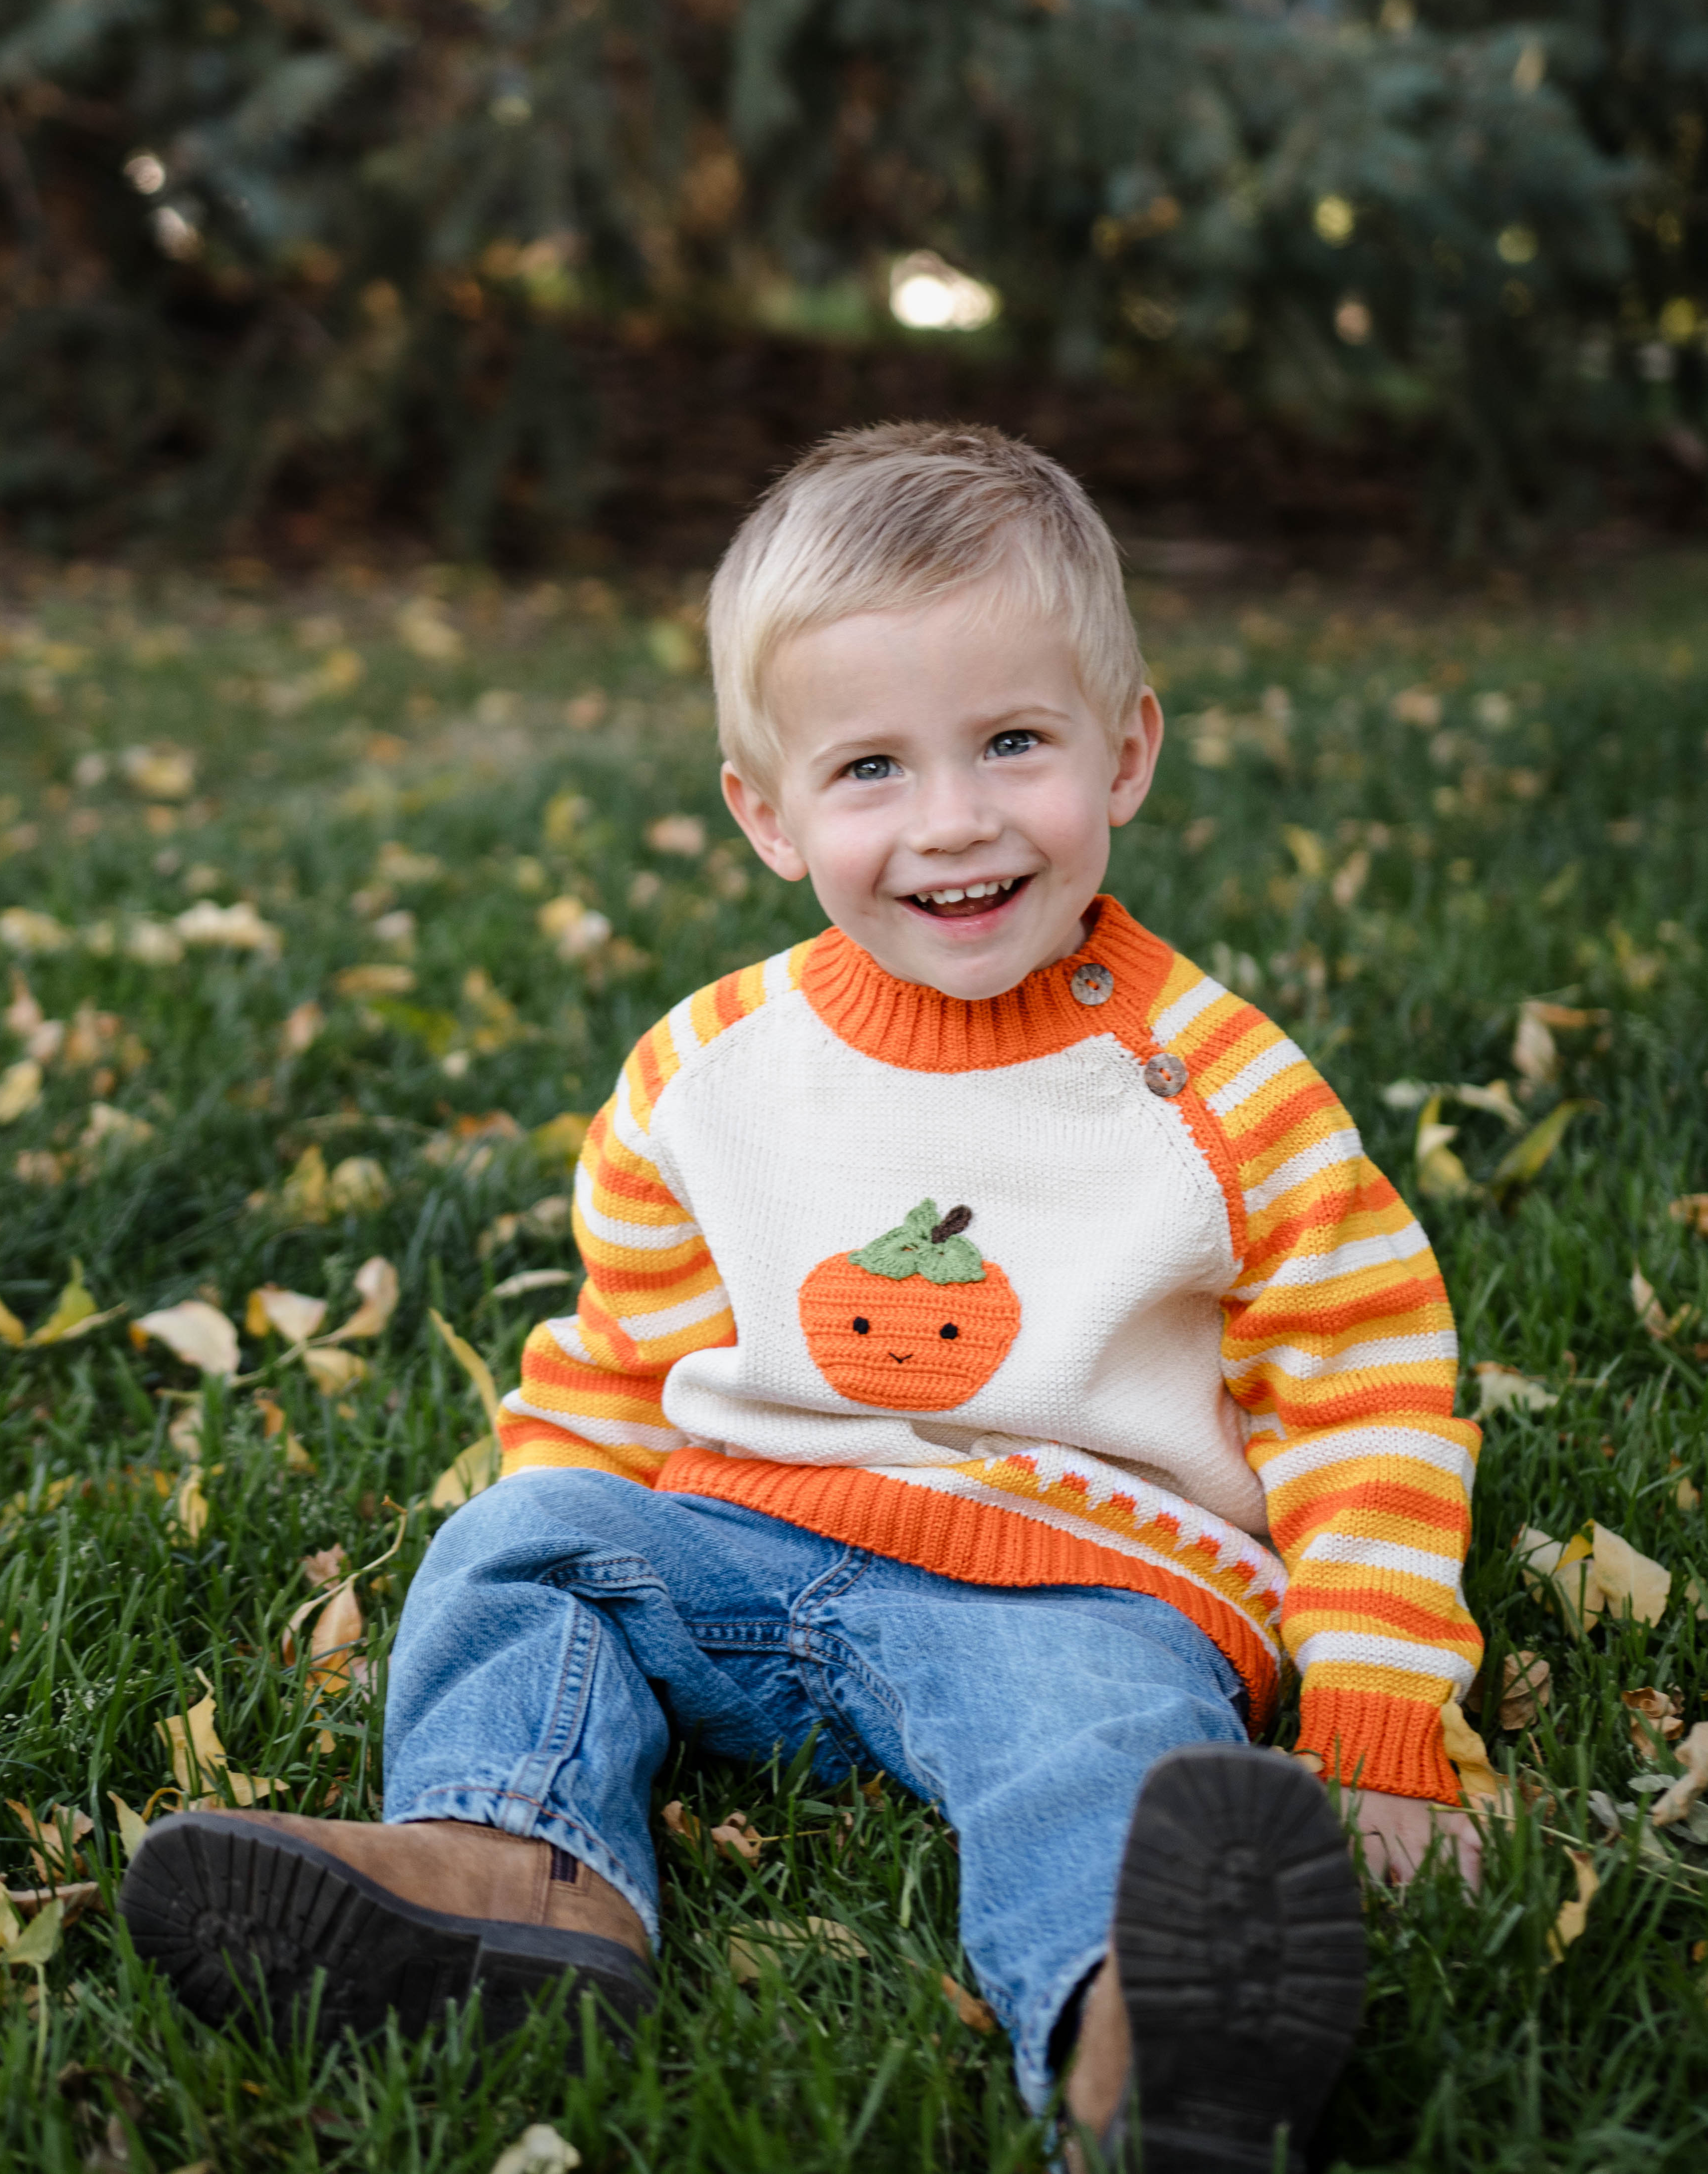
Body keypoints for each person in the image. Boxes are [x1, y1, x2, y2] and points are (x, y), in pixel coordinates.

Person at [124, 425, 1485, 2168]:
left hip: (1078, 1587)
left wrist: (1376, 1721)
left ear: (1125, 749)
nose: (955, 820)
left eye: (1013, 741)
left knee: (1103, 1759)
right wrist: (555, 1506)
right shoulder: (705, 1074)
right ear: (764, 812)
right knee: (523, 1544)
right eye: (869, 769)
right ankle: (520, 1874)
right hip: (743, 1549)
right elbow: (626, 1360)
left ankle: (1146, 2031)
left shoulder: (1211, 1090)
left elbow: (1366, 1390)